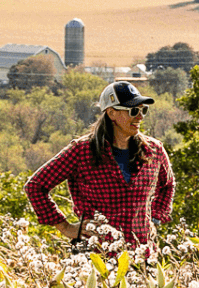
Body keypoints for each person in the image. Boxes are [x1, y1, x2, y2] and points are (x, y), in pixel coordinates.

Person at [25, 80, 177, 254]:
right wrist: (65, 227)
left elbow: (168, 185)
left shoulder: (154, 150)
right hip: (94, 257)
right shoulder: (81, 151)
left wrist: (156, 219)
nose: (140, 116)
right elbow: (35, 186)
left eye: (143, 110)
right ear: (111, 113)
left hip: (141, 257)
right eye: (133, 111)